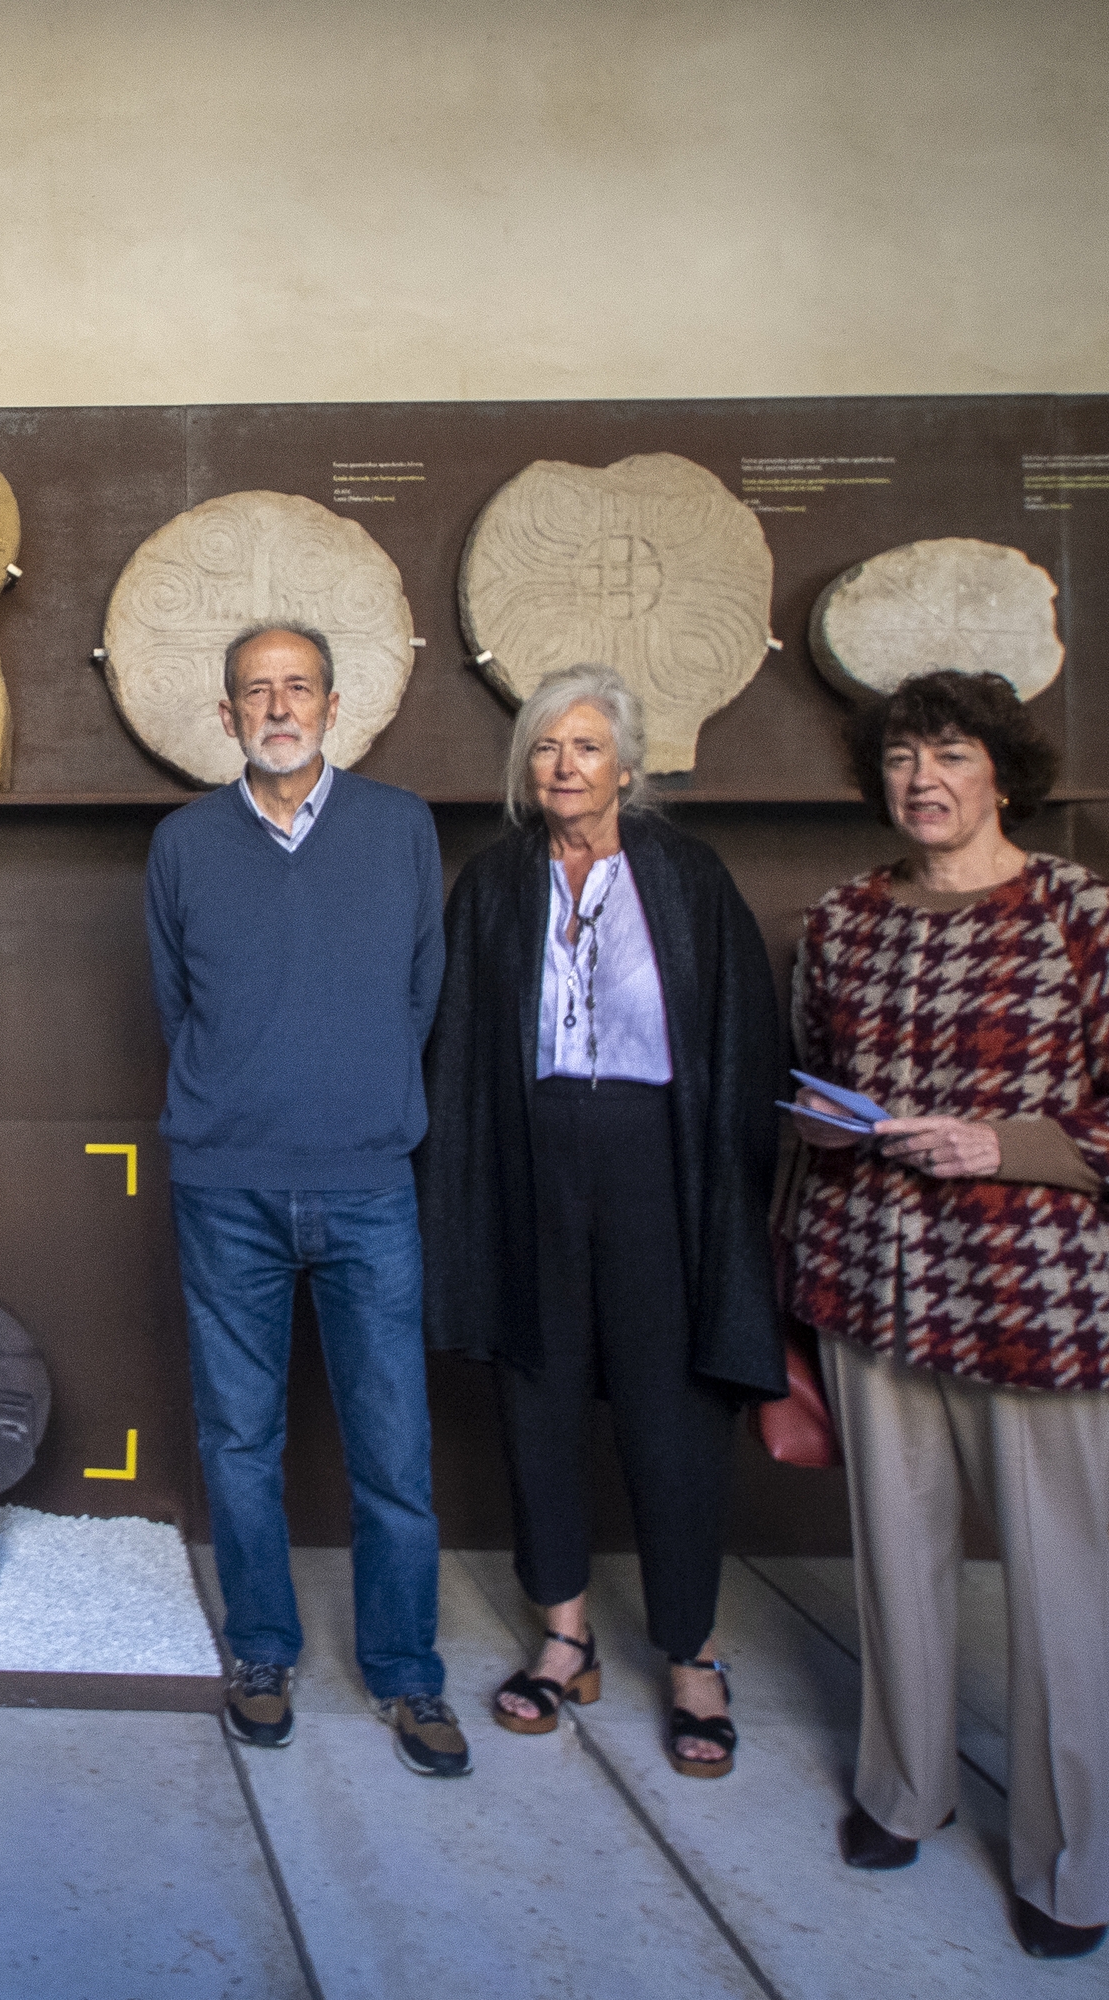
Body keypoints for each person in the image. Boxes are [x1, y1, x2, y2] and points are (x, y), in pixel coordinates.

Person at [786, 670, 1109, 1960]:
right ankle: (901, 1788)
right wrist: (823, 1127)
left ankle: (1076, 1861)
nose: (925, 778)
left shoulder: (1084, 913)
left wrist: (1009, 1140)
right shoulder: (846, 918)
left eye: (953, 754)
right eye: (904, 757)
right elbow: (819, 1078)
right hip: (879, 1284)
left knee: (1057, 1588)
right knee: (895, 1562)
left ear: (1002, 775)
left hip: (1048, 1300)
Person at [415, 665, 783, 1779]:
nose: (562, 766)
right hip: (530, 1158)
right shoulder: (492, 884)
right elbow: (460, 1054)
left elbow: (740, 1041)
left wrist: (728, 1190)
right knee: (539, 1392)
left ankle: (691, 1651)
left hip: (653, 1162)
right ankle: (565, 1635)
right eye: (543, 748)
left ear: (628, 765)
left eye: (584, 747)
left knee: (673, 1412)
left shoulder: (686, 877)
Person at [146, 623, 468, 1779]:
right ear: (226, 716)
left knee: (393, 1446)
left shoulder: (400, 828)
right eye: (253, 691)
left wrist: (360, 1095)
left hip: (368, 1179)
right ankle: (264, 1651)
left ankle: (406, 1671)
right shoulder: (183, 843)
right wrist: (246, 1098)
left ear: (334, 705)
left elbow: (420, 991)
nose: (276, 706)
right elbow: (179, 1001)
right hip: (226, 1185)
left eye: (297, 687)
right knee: (241, 1439)